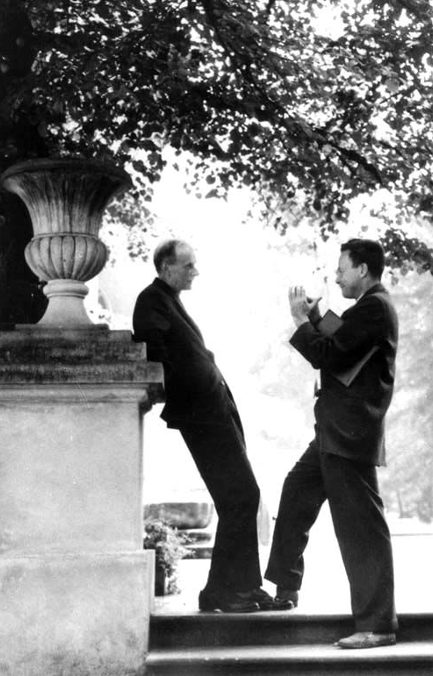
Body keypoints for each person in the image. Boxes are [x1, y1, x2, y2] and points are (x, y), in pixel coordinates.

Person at [132, 239, 293, 613]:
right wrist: (191, 387)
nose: (195, 272)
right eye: (188, 266)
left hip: (213, 413)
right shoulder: (151, 300)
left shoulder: (167, 299)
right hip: (201, 416)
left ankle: (244, 587)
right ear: (166, 266)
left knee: (242, 497)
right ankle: (223, 593)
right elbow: (155, 354)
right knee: (240, 496)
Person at [265, 238, 399, 649]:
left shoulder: (375, 306)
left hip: (348, 435)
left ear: (362, 269)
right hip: (335, 431)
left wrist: (300, 321)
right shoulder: (370, 308)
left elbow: (331, 355)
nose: (336, 276)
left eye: (341, 269)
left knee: (360, 529)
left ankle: (377, 626)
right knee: (297, 491)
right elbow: (345, 340)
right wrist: (318, 314)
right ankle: (285, 588)